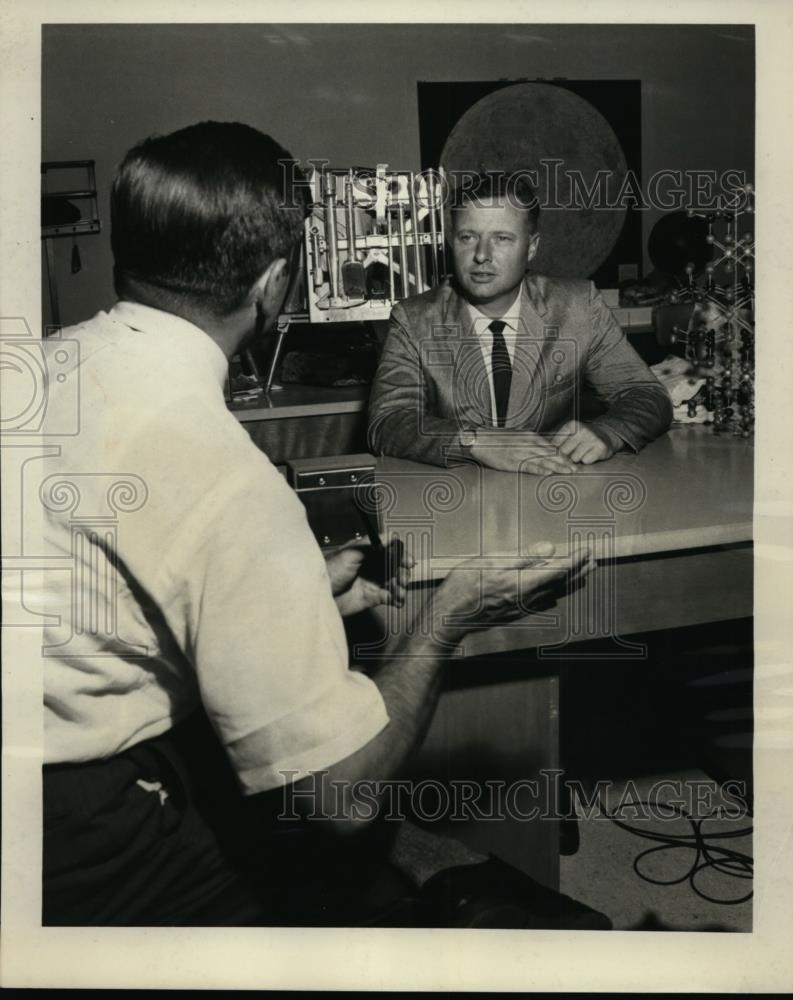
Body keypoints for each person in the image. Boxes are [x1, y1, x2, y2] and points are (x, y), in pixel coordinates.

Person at [40, 123, 601, 928]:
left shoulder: (42, 365)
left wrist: (289, 594)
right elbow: (341, 797)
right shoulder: (228, 479)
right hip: (85, 838)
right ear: (274, 282)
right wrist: (445, 619)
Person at [368, 173, 673, 473]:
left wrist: (610, 432)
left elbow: (648, 395)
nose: (481, 256)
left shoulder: (578, 306)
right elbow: (388, 422)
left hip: (552, 490)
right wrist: (473, 440)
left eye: (501, 238)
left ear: (531, 247)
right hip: (456, 497)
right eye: (468, 237)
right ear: (452, 241)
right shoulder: (414, 319)